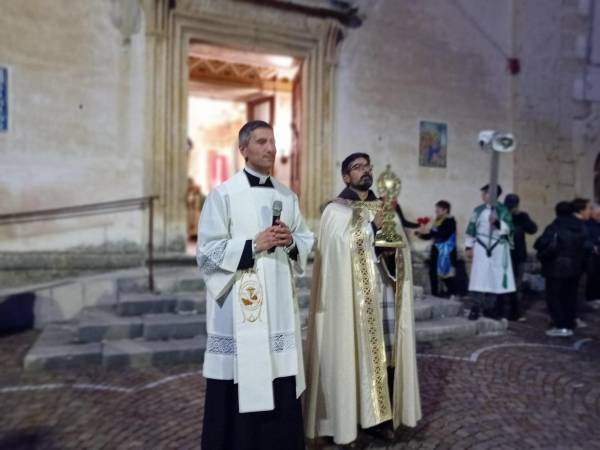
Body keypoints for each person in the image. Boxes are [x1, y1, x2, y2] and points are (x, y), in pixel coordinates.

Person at [197, 120, 314, 450]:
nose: (271, 148)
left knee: (279, 374)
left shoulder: (287, 196)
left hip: (277, 307)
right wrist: (253, 245)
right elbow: (207, 253)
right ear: (244, 149)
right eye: (262, 142)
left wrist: (291, 242)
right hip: (239, 308)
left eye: (273, 142)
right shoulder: (223, 196)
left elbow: (305, 241)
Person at [305, 153, 421, 446]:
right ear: (346, 177)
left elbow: (399, 253)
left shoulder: (385, 206)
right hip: (348, 302)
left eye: (368, 166)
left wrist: (388, 240)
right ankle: (347, 419)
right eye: (358, 167)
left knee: (386, 358)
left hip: (382, 293)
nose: (365, 171)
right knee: (350, 357)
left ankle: (381, 420)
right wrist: (371, 227)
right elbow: (337, 249)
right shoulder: (335, 211)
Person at [534, 201, 587, 337]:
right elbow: (585, 245)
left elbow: (541, 242)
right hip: (576, 267)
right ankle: (569, 324)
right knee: (570, 297)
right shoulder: (581, 226)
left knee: (555, 297)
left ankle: (560, 325)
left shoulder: (555, 226)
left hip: (556, 267)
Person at [465, 184, 516, 320]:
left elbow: (510, 230)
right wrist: (469, 247)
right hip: (481, 246)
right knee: (478, 278)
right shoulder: (478, 210)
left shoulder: (503, 210)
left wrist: (497, 223)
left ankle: (490, 308)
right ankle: (475, 307)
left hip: (497, 247)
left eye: (485, 193)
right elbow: (471, 228)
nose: (482, 196)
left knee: (494, 277)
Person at [501, 194, 537, 321]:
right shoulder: (501, 215)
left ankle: (514, 312)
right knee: (504, 285)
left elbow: (533, 229)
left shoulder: (522, 217)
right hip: (504, 255)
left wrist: (521, 217)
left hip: (518, 255)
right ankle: (503, 311)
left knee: (516, 285)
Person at [415, 200, 457, 298]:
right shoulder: (437, 220)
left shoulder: (450, 221)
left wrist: (429, 232)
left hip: (446, 251)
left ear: (445, 210)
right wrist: (421, 235)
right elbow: (431, 235)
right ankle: (435, 294)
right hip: (436, 249)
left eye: (438, 209)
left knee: (446, 273)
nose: (436, 211)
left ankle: (452, 293)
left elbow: (444, 234)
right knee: (433, 271)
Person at [585, 203, 600, 309]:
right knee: (593, 276)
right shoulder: (588, 224)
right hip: (592, 255)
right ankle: (591, 298)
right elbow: (586, 239)